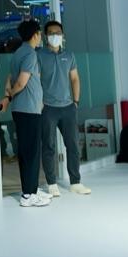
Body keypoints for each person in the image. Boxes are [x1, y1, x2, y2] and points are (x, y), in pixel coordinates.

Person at [37, 21, 91, 196]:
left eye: (58, 33)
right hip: (48, 108)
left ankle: (75, 182)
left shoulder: (69, 55)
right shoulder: (39, 55)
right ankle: (51, 183)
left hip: (68, 107)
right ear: (45, 36)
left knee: (73, 145)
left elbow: (75, 79)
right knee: (49, 146)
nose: (55, 36)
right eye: (51, 33)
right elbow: (35, 80)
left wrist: (76, 101)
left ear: (62, 35)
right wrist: (40, 103)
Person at [0, 20, 48, 207]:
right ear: (35, 35)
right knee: (31, 152)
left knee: (28, 151)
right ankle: (28, 195)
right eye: (40, 33)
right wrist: (10, 95)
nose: (41, 36)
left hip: (25, 109)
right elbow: (20, 82)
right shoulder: (29, 54)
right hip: (28, 109)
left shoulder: (19, 52)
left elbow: (9, 78)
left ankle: (32, 189)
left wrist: (8, 95)